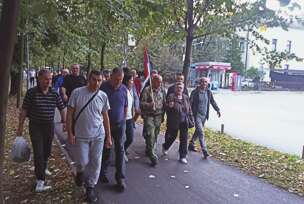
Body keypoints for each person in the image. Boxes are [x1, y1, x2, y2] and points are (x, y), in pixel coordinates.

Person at [16, 69, 66, 192]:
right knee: (38, 153)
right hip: (36, 126)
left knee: (46, 151)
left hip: (49, 126)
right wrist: (20, 126)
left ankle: (43, 167)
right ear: (39, 79)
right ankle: (40, 181)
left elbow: (62, 108)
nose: (48, 82)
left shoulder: (54, 93)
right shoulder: (31, 93)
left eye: (50, 79)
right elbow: (24, 110)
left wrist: (65, 122)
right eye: (46, 79)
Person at [67, 70, 112, 202]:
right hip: (81, 135)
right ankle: (80, 171)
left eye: (99, 80)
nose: (96, 83)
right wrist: (70, 132)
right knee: (82, 162)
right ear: (88, 79)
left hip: (98, 134)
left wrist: (108, 137)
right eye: (94, 80)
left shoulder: (103, 96)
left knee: (96, 162)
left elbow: (105, 117)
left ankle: (90, 187)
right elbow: (70, 113)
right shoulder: (77, 93)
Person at [99, 68, 128, 192]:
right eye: (116, 79)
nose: (118, 81)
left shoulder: (124, 89)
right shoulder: (103, 88)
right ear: (111, 77)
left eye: (121, 79)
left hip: (120, 124)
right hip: (106, 125)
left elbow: (125, 105)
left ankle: (120, 178)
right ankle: (102, 172)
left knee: (120, 150)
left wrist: (124, 119)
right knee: (106, 149)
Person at [188, 77, 221, 159]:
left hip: (204, 115)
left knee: (198, 131)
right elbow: (189, 103)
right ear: (199, 83)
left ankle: (191, 144)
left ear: (207, 83)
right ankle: (204, 150)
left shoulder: (208, 92)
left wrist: (217, 110)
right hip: (196, 115)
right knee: (201, 132)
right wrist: (189, 114)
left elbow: (212, 101)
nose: (204, 83)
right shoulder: (195, 92)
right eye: (202, 82)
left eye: (205, 82)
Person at [162, 82, 193, 164]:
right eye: (178, 88)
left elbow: (189, 109)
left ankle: (182, 156)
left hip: (184, 121)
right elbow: (166, 108)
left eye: (181, 88)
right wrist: (169, 106)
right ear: (175, 88)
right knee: (173, 136)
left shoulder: (186, 97)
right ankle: (165, 146)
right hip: (174, 121)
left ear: (183, 89)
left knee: (184, 139)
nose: (179, 89)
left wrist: (191, 119)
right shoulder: (171, 96)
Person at [140, 74, 166, 166]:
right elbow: (141, 103)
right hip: (149, 116)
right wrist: (149, 105)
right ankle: (153, 157)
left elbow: (164, 103)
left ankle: (149, 149)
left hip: (158, 116)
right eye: (158, 81)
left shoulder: (162, 90)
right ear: (153, 81)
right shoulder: (147, 90)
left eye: (161, 82)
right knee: (150, 135)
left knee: (155, 135)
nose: (159, 83)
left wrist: (163, 116)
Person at [122, 74, 140, 161]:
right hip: (121, 118)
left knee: (130, 138)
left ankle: (124, 149)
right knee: (120, 138)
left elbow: (136, 98)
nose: (133, 82)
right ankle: (121, 153)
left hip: (130, 117)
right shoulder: (122, 89)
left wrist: (137, 107)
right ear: (126, 81)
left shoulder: (132, 89)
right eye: (131, 80)